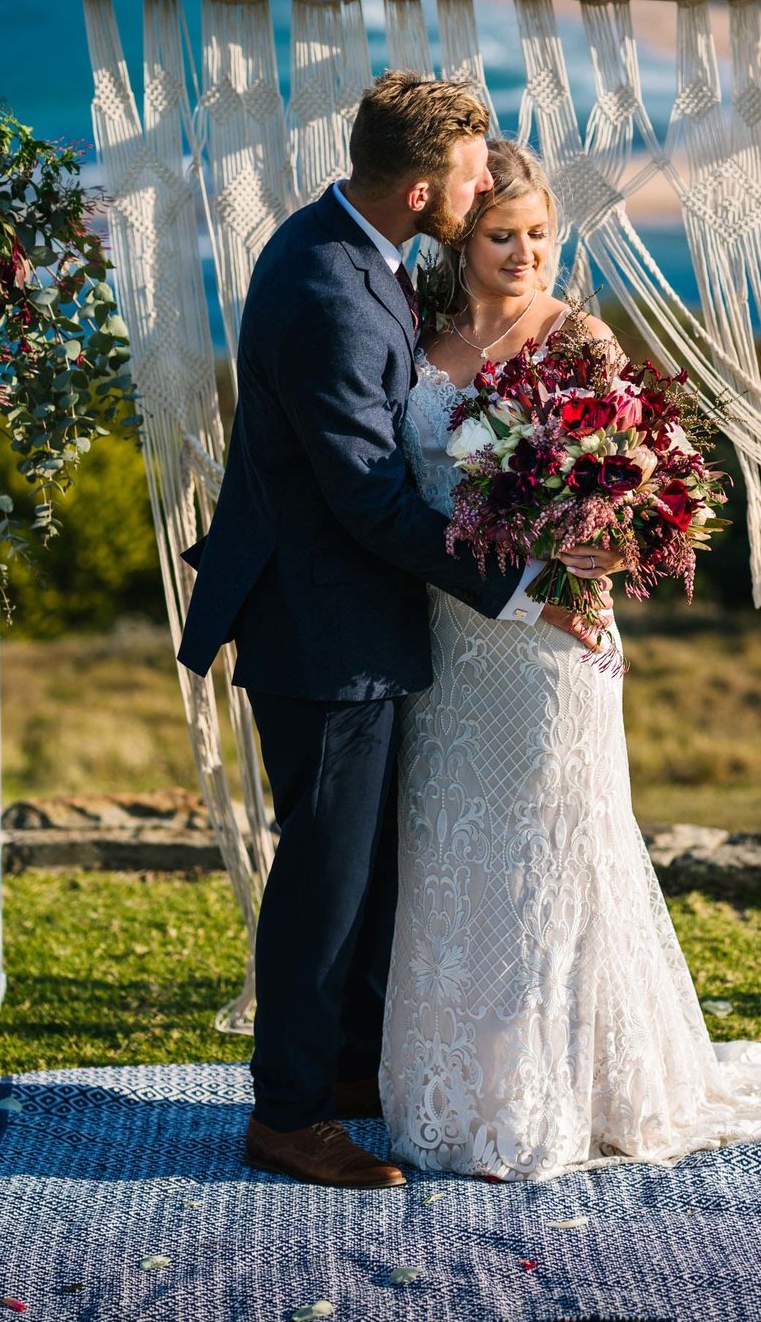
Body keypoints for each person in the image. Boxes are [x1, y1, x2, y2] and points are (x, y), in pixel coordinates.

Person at [380, 138, 761, 1181]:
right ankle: (470, 1085)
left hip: (556, 640)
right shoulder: (417, 339)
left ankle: (571, 1089)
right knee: (457, 849)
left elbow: (646, 483)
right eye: (502, 235)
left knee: (552, 845)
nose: (526, 253)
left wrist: (610, 533)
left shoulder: (579, 338)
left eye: (541, 234)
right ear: (461, 243)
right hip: (451, 637)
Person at [176, 76, 617, 1190]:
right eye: (473, 179)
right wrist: (530, 586)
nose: (483, 195)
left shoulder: (348, 253)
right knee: (325, 874)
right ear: (421, 188)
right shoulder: (332, 288)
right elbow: (370, 499)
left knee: (363, 867)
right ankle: (287, 1115)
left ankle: (342, 1070)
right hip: (324, 633)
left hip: (355, 621)